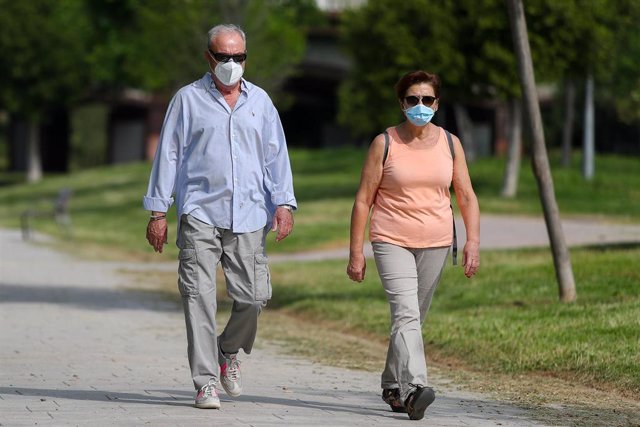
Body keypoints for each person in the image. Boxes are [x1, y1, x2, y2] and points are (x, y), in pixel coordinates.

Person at [143, 24, 296, 410]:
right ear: (208, 58)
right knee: (198, 297)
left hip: (249, 215)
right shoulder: (188, 99)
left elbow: (275, 155)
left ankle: (226, 350)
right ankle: (205, 380)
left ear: (246, 57)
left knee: (255, 297)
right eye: (223, 57)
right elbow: (169, 156)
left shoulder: (260, 101)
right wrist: (158, 210)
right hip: (199, 212)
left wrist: (283, 202)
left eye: (238, 57)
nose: (231, 64)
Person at [346, 70, 480, 420]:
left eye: (427, 100)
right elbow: (363, 200)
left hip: (437, 242)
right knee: (406, 313)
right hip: (391, 240)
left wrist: (473, 242)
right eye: (412, 100)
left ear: (437, 103)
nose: (420, 106)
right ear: (401, 102)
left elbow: (465, 195)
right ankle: (415, 387)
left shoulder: (450, 144)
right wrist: (356, 251)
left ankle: (391, 383)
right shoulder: (385, 143)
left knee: (412, 319)